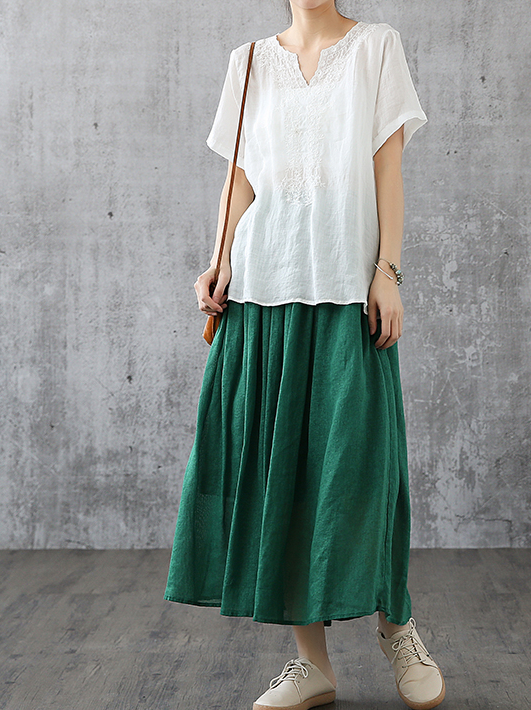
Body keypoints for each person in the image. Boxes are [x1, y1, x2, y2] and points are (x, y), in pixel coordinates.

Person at [163, 1, 446, 708]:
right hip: (263, 289)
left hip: (347, 287)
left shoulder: (376, 48)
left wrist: (388, 271)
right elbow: (242, 178)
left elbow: (388, 165)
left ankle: (398, 627)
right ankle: (311, 663)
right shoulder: (249, 63)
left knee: (366, 469)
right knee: (279, 476)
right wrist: (219, 259)